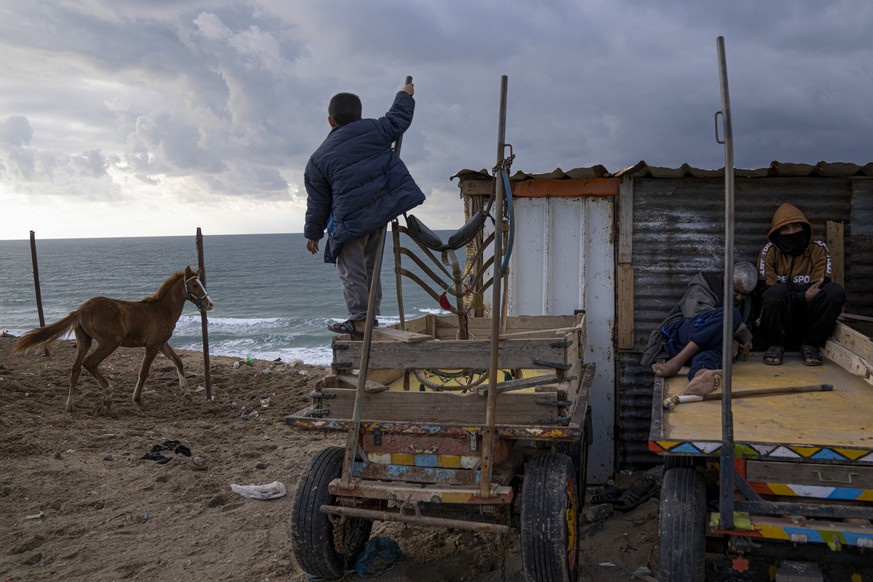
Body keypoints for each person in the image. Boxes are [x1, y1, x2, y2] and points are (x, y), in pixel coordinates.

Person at [304, 83, 425, 339]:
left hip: (349, 222)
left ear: (330, 121)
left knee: (351, 271)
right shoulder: (375, 129)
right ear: (359, 115)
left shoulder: (319, 159)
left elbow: (318, 202)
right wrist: (404, 95)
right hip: (379, 215)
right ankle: (369, 315)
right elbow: (399, 117)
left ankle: (359, 321)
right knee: (370, 268)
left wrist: (313, 233)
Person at [641, 262, 758, 395]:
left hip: (705, 345)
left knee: (714, 348)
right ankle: (676, 362)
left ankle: (700, 376)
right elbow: (698, 317)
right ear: (727, 278)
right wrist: (743, 336)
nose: (739, 297)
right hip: (679, 335)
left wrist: (736, 342)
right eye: (736, 291)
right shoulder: (704, 284)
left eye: (744, 294)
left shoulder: (745, 300)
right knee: (731, 314)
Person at [758, 203, 845, 366]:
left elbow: (820, 289)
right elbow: (766, 292)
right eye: (785, 229)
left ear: (805, 228)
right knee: (776, 294)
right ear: (777, 233)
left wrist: (788, 292)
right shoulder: (769, 251)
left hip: (809, 319)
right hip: (779, 321)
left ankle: (811, 345)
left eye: (796, 226)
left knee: (834, 292)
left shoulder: (819, 249)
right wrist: (803, 295)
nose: (791, 233)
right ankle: (776, 345)